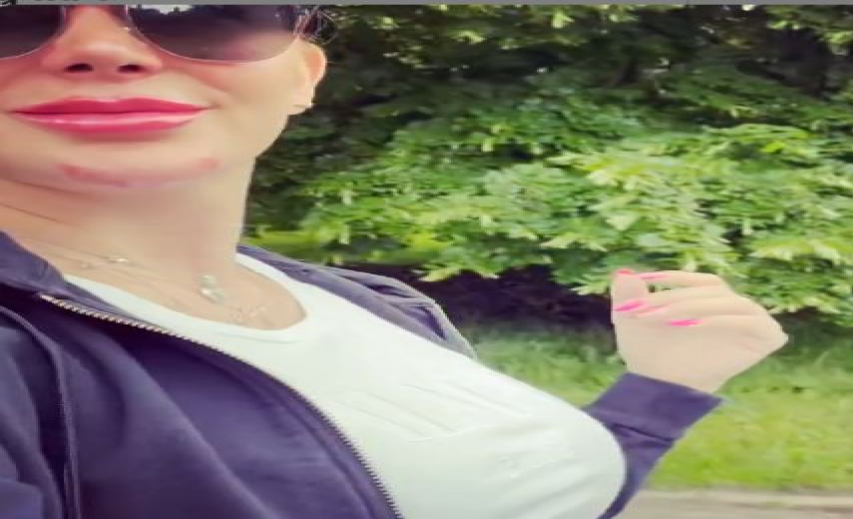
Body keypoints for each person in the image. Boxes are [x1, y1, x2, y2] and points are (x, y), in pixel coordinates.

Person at [0, 6, 789, 519]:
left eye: (200, 9)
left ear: (303, 77)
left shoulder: (378, 306)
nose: (99, 49)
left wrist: (662, 389)